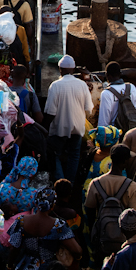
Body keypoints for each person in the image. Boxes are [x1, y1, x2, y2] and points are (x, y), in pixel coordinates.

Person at [7, 188, 82, 270]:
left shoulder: (21, 221)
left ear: (36, 203)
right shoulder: (59, 225)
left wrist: (10, 265)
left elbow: (14, 248)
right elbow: (77, 250)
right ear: (52, 206)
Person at [44, 55, 93, 184]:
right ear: (72, 69)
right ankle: (70, 183)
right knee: (74, 155)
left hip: (59, 129)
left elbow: (50, 112)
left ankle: (61, 183)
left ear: (60, 69)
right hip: (77, 128)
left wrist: (45, 128)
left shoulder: (55, 85)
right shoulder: (82, 85)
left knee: (54, 154)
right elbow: (89, 108)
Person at [97, 62, 136, 130]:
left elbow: (104, 121)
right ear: (120, 74)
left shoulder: (106, 93)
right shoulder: (131, 87)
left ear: (107, 75)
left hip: (116, 133)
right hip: (132, 129)